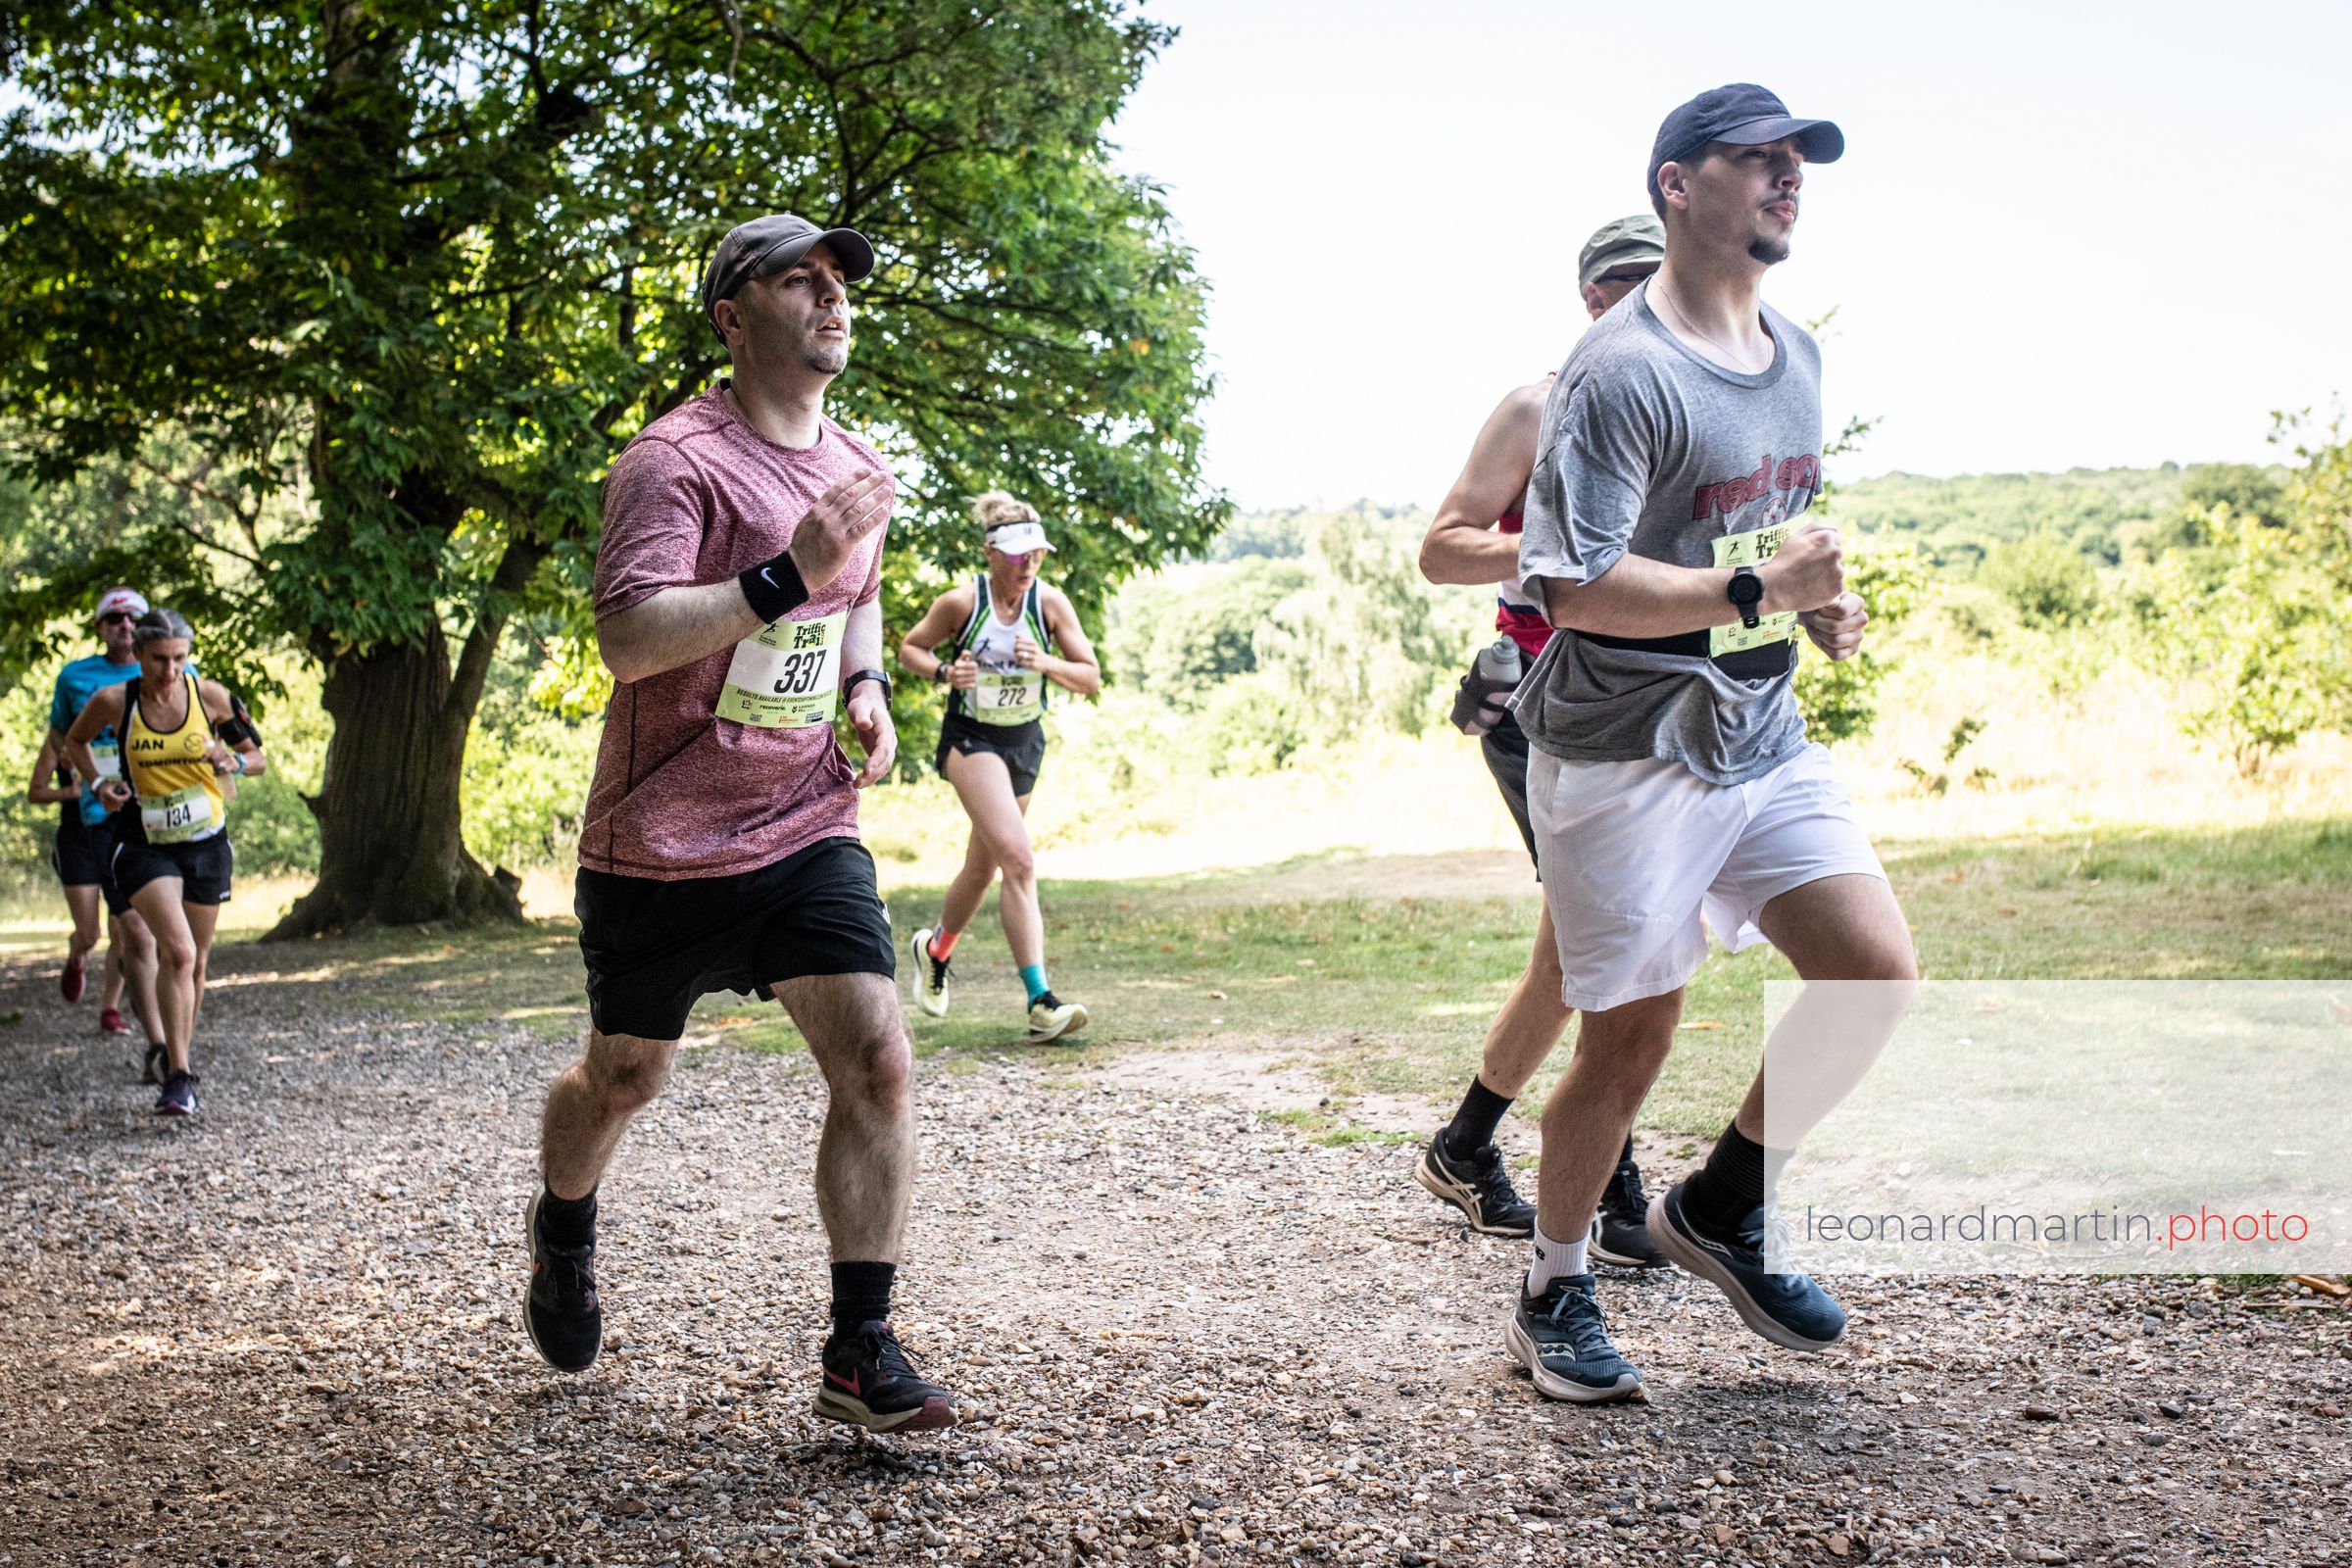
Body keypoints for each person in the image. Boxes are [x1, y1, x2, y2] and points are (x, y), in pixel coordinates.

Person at [1502, 84, 1917, 1404]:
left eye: (1799, 163)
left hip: (1759, 728)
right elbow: (1573, 587)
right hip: (1624, 750)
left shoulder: (1797, 354)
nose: (1789, 179)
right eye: (1759, 159)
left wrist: (1813, 598)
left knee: (1872, 972)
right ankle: (1554, 1286)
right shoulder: (1620, 371)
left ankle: (1725, 1204)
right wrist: (1756, 592)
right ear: (1678, 184)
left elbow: (1758, 529)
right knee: (1631, 1041)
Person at [523, 213, 957, 1435]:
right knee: (625, 1077)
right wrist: (783, 573)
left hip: (805, 817)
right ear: (731, 315)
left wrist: (866, 688)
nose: (833, 297)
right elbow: (627, 637)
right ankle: (564, 1227)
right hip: (661, 841)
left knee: (879, 1057)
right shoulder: (672, 462)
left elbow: (856, 601)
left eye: (840, 281)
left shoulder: (856, 464)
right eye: (800, 280)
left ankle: (859, 1348)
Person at [1414, 216, 1670, 1264]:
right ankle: (1610, 1197)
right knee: (1613, 940)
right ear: (1593, 300)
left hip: (1650, 712)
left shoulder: (1683, 408)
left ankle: (1467, 1145)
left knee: (1575, 953)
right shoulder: (1538, 406)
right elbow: (1442, 547)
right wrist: (1548, 546)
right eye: (1631, 284)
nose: (1653, 300)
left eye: (1666, 278)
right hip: (1542, 707)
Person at [896, 494, 1102, 1042]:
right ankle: (1040, 1001)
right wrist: (945, 673)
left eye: (1036, 553)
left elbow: (1090, 677)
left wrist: (1046, 662)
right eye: (1016, 554)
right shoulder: (962, 603)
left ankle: (935, 949)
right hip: (972, 740)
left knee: (982, 868)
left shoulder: (1050, 604)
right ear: (990, 553)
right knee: (1019, 860)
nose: (1028, 563)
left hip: (1024, 743)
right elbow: (911, 649)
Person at [66, 608, 268, 1119]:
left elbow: (257, 757)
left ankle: (176, 1056)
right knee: (176, 950)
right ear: (138, 655)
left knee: (195, 961)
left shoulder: (211, 696)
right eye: (159, 659)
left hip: (205, 841)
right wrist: (98, 784)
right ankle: (178, 1076)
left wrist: (233, 761)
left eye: (179, 659)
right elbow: (74, 741)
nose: (170, 670)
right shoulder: (115, 700)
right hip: (144, 841)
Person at [43, 587, 166, 1064]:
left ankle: (157, 1026)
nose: (125, 626)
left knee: (172, 943)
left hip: (165, 815)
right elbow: (61, 735)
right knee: (129, 929)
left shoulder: (172, 669)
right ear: (100, 627)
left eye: (134, 618)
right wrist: (86, 776)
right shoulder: (75, 678)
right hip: (105, 818)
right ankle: (158, 1046)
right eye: (115, 619)